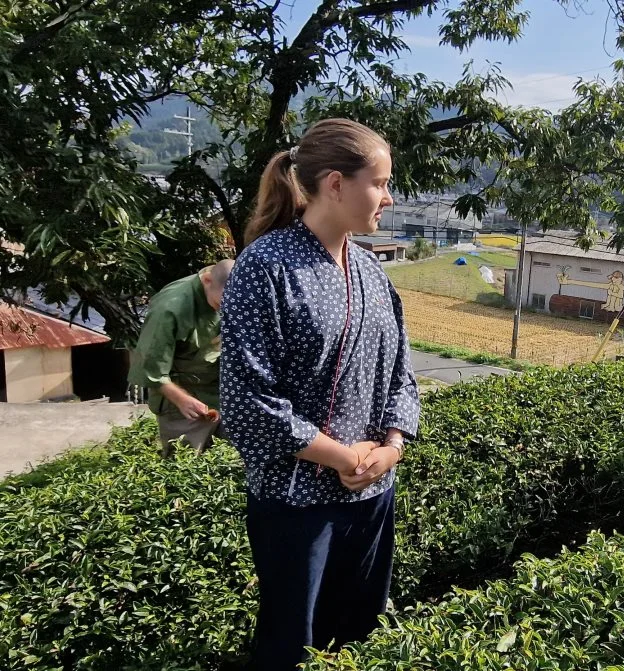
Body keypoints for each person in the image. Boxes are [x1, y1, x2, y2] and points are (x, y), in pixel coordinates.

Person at [219, 118, 420, 669]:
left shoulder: (372, 272)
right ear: (336, 184)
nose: (389, 195)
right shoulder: (266, 267)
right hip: (296, 506)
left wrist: (392, 446)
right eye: (380, 183)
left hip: (373, 493)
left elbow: (402, 373)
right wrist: (340, 456)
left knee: (359, 634)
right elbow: (246, 400)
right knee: (294, 645)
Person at [128, 259, 235, 457]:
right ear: (206, 280)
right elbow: (150, 366)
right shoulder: (170, 308)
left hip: (220, 389)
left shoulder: (239, 291)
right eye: (219, 304)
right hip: (180, 395)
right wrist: (182, 399)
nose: (223, 311)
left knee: (229, 460)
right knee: (185, 461)